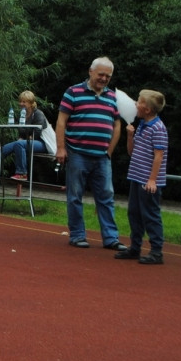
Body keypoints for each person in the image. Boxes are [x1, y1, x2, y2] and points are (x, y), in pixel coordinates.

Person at [55, 57, 127, 251]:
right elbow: (61, 121)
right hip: (77, 152)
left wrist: (109, 152)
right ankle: (78, 235)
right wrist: (61, 148)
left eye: (108, 76)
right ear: (90, 72)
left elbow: (117, 125)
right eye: (100, 74)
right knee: (75, 195)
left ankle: (111, 238)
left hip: (102, 156)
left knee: (106, 196)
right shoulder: (73, 92)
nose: (103, 78)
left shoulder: (113, 97)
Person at [115, 90, 168, 264]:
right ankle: (135, 247)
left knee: (150, 214)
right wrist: (130, 136)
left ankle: (156, 251)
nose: (135, 104)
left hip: (148, 181)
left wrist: (152, 179)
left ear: (148, 109)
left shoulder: (158, 128)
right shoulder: (142, 126)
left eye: (139, 101)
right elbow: (132, 152)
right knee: (134, 213)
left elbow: (159, 155)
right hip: (137, 177)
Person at [0, 90, 48, 181]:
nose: (21, 103)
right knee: (4, 148)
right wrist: (22, 139)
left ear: (31, 103)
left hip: (42, 143)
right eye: (20, 101)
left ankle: (22, 173)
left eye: (24, 101)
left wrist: (23, 140)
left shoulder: (38, 114)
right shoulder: (22, 115)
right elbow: (22, 132)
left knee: (19, 144)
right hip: (27, 142)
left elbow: (37, 133)